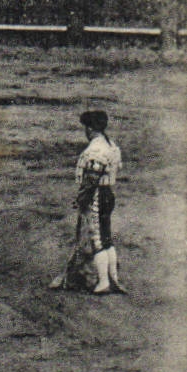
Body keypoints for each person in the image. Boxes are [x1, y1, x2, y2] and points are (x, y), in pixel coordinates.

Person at [51, 109, 125, 294]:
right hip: (108, 193)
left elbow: (91, 179)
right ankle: (113, 278)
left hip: (97, 195)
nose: (85, 131)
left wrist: (81, 199)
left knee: (97, 238)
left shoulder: (95, 149)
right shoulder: (111, 145)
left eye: (86, 128)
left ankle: (103, 282)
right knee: (106, 237)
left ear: (91, 129)